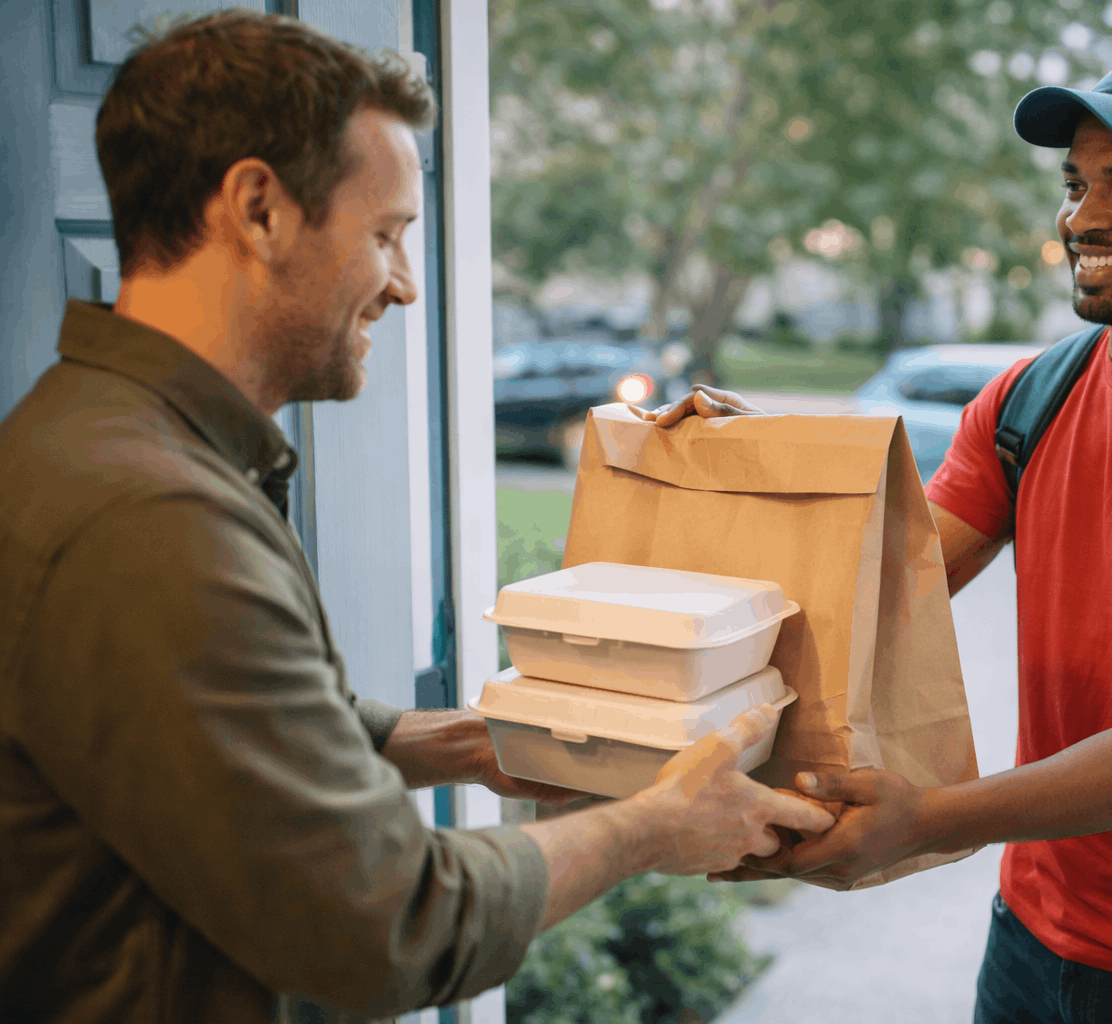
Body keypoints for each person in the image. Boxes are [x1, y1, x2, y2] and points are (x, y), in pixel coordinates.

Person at [0, 12, 831, 1023]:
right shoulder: (152, 517)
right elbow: (392, 924)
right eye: (386, 234)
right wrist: (654, 825)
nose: (402, 282)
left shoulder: (87, 434)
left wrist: (446, 740)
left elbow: (181, 718)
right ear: (258, 208)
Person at [654, 44, 1112, 1024]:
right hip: (1031, 942)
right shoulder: (1031, 399)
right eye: (1077, 184)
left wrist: (926, 821)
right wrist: (758, 463)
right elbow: (879, 581)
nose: (1083, 218)